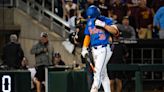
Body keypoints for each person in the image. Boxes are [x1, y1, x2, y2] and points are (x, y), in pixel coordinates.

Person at [81, 5, 119, 92]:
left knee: (97, 74)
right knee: (103, 75)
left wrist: (104, 25)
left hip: (104, 48)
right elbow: (88, 36)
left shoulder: (105, 20)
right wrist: (84, 47)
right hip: (94, 50)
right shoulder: (89, 22)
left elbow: (116, 32)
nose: (91, 19)